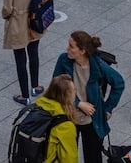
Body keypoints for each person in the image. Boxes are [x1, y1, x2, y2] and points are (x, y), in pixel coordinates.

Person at [52, 31, 123, 163]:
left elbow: (119, 83)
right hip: (68, 117)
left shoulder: (97, 65)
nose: (67, 48)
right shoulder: (64, 60)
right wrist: (78, 103)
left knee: (93, 157)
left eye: (71, 46)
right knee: (65, 156)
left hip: (91, 120)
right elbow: (56, 86)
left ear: (82, 51)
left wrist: (108, 108)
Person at [2, 0, 46, 104]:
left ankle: (25, 95)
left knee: (20, 60)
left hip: (18, 24)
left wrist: (5, 16)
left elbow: (7, 8)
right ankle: (35, 86)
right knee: (34, 53)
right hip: (34, 21)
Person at [20, 74, 81, 163]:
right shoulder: (65, 125)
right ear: (66, 95)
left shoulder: (37, 106)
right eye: (73, 90)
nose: (75, 92)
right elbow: (69, 158)